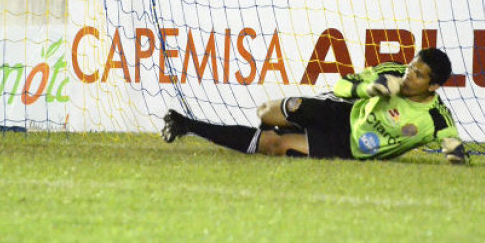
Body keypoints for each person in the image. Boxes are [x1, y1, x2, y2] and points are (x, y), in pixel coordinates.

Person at [162, 47, 466, 164]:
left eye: (418, 74)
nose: (408, 75)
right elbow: (341, 86)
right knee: (269, 111)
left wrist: (454, 156)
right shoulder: (391, 72)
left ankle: (187, 124)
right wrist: (368, 88)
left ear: (434, 86)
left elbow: (453, 147)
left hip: (350, 144)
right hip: (343, 111)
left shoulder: (437, 119)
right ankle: (280, 127)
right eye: (411, 68)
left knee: (274, 145)